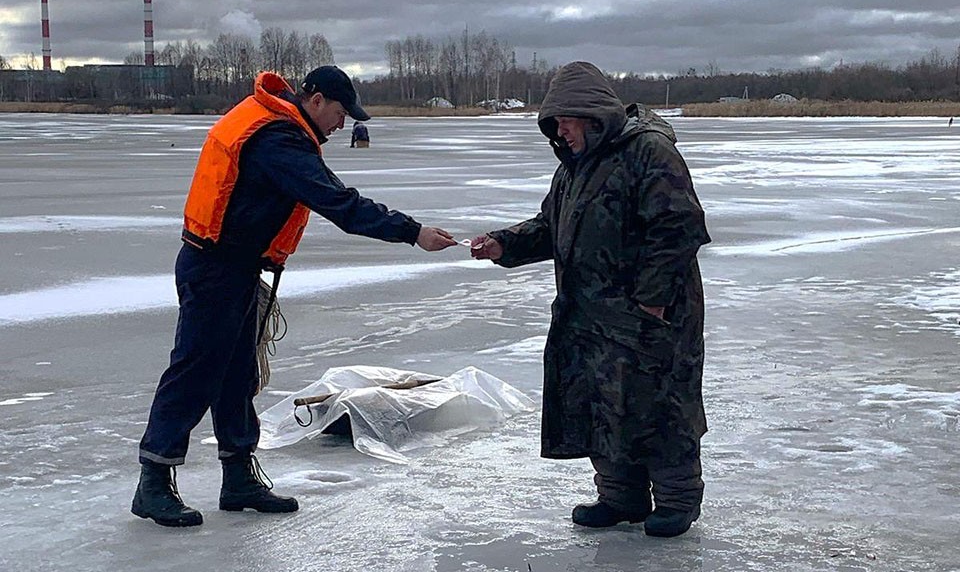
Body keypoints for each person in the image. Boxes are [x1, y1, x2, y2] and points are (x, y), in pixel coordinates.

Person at [133, 65, 457, 528]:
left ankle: (239, 476)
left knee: (237, 375)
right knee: (197, 371)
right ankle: (154, 481)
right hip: (215, 268)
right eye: (341, 113)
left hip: (233, 266)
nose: (343, 124)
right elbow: (339, 203)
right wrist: (412, 232)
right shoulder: (280, 140)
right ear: (317, 99)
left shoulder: (278, 126)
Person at [470, 61, 710, 538]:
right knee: (604, 403)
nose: (559, 131)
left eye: (565, 121)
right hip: (589, 313)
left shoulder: (649, 152)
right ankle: (620, 496)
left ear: (592, 115)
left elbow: (678, 227)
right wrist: (504, 244)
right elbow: (549, 226)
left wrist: (653, 302)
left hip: (650, 315)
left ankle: (678, 499)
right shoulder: (573, 169)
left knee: (661, 405)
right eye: (554, 123)